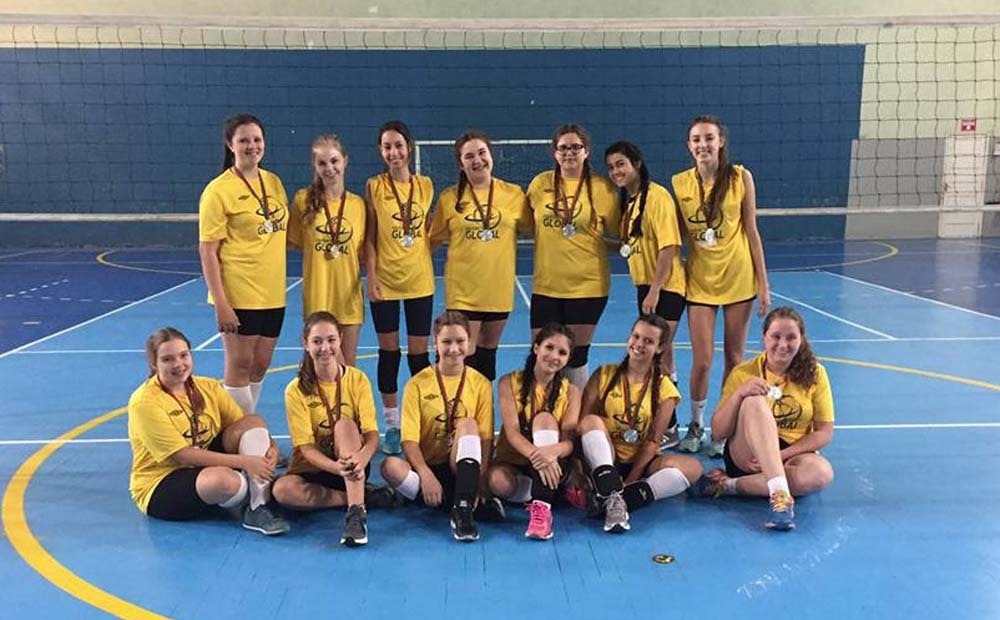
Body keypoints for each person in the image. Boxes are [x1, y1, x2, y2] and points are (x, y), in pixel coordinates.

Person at [672, 115, 771, 456]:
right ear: (689, 146)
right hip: (700, 281)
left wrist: (764, 284)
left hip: (738, 278)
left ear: (721, 142)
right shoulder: (680, 183)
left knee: (734, 357)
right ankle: (696, 423)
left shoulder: (741, 178)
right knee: (702, 360)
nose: (703, 145)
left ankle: (723, 428)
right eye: (696, 139)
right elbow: (677, 237)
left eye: (709, 138)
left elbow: (752, 231)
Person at [128, 327, 289, 535]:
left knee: (253, 421)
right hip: (162, 481)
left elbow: (245, 423)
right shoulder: (145, 402)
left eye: (183, 355)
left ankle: (258, 505)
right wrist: (247, 462)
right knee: (225, 481)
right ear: (153, 363)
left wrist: (273, 448)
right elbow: (183, 455)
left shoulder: (207, 387)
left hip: (204, 463)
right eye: (167, 359)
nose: (178, 364)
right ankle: (255, 488)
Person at [689, 307, 835, 531]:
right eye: (776, 336)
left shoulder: (816, 373)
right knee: (754, 400)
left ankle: (727, 486)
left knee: (821, 474)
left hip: (791, 453)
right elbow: (718, 432)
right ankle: (780, 495)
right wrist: (740, 393)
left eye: (791, 337)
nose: (783, 344)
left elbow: (824, 432)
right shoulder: (744, 372)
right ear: (764, 337)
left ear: (802, 339)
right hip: (748, 453)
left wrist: (781, 455)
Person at [272, 312, 396, 546]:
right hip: (316, 469)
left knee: (345, 425)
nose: (325, 348)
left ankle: (356, 514)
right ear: (305, 344)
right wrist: (335, 467)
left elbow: (371, 434)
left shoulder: (358, 379)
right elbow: (306, 448)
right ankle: (361, 497)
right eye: (317, 341)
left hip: (353, 463)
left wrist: (361, 457)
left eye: (331, 340)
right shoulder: (295, 390)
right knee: (282, 491)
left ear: (340, 340)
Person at [198, 113, 288, 419]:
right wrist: (221, 304)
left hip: (272, 292)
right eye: (244, 140)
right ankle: (240, 436)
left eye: (257, 139)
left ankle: (245, 431)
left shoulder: (273, 182)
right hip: (238, 292)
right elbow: (208, 251)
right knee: (240, 366)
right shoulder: (218, 190)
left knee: (260, 365)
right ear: (230, 144)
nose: (252, 146)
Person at [577, 315, 703, 533]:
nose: (639, 344)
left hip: (640, 463)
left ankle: (621, 497)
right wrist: (579, 470)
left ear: (660, 348)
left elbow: (654, 442)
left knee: (694, 468)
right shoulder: (604, 374)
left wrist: (630, 480)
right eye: (636, 336)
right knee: (590, 421)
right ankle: (611, 491)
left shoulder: (665, 388)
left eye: (648, 341)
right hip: (605, 458)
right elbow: (583, 425)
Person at [381, 311, 495, 542]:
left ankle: (462, 510)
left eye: (460, 341)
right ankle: (457, 500)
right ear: (436, 343)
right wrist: (425, 474)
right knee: (389, 467)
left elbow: (485, 439)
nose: (454, 349)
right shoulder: (416, 384)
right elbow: (409, 440)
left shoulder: (480, 383)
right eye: (446, 342)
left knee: (469, 425)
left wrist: (479, 482)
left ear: (470, 342)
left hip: (461, 468)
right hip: (427, 467)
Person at [429, 130, 530, 381]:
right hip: (463, 292)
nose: (477, 160)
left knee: (487, 354)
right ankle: (457, 404)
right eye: (469, 156)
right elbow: (432, 241)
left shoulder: (514, 194)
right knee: (462, 355)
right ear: (460, 164)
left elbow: (535, 229)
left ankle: (483, 405)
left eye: (482, 153)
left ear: (491, 155)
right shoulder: (450, 198)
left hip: (498, 290)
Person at [605, 140, 687, 448]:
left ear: (636, 164)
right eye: (611, 167)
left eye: (621, 164)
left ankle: (670, 427)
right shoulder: (630, 201)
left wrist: (655, 290)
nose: (616, 171)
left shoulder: (657, 197)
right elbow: (631, 245)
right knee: (664, 356)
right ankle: (669, 424)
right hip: (646, 286)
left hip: (666, 287)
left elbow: (669, 247)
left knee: (657, 355)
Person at [526, 124, 619, 389]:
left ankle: (575, 412)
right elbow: (528, 224)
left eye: (576, 147)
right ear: (555, 153)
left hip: (587, 286)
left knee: (574, 357)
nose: (569, 153)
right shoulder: (540, 184)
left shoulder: (601, 188)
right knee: (543, 355)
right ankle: (541, 410)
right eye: (563, 148)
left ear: (586, 151)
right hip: (546, 285)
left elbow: (621, 233)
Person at [364, 120, 435, 455]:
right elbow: (370, 237)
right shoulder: (374, 186)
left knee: (419, 357)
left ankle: (422, 420)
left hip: (419, 281)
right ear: (381, 151)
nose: (394, 152)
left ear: (409, 147)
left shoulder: (426, 186)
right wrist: (372, 277)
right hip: (386, 283)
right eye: (387, 147)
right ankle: (393, 425)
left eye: (398, 145)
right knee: (389, 354)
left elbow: (428, 230)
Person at [486, 323, 581, 540]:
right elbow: (512, 432)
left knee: (544, 420)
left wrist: (550, 453)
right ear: (536, 348)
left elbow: (569, 443)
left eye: (562, 352)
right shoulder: (509, 382)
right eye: (549, 347)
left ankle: (542, 508)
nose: (554, 356)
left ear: (567, 359)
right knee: (496, 481)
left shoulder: (572, 392)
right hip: (516, 460)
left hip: (554, 462)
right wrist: (539, 456)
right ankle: (551, 493)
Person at [287, 135, 366, 364]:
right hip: (318, 297)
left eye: (334, 161)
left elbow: (362, 251)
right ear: (315, 166)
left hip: (349, 299)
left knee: (347, 367)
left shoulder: (358, 205)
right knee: (321, 365)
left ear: (345, 161)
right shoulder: (302, 200)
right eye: (322, 163)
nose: (329, 168)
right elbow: (293, 241)